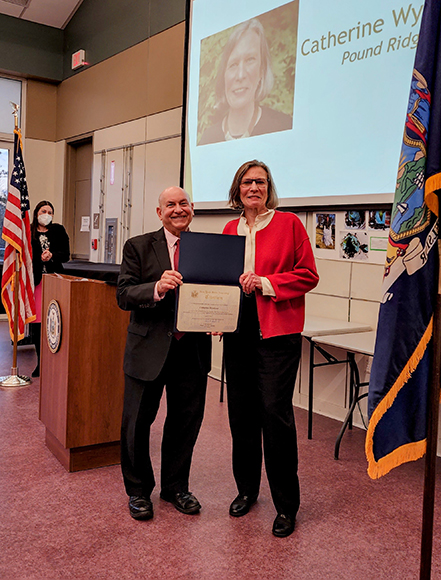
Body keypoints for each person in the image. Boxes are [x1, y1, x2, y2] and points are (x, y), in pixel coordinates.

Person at [222, 160, 319, 537]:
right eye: (247, 182)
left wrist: (264, 282)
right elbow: (220, 278)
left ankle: (286, 506)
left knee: (275, 416)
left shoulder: (290, 224)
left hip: (277, 330)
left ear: (268, 187)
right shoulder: (231, 228)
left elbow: (308, 275)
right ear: (238, 188)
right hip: (238, 329)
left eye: (260, 182)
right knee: (241, 415)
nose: (254, 188)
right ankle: (246, 491)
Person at [116, 186, 211, 521]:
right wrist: (155, 288)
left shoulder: (207, 248)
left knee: (185, 422)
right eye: (170, 204)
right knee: (137, 423)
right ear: (159, 212)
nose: (177, 209)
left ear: (192, 209)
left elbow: (220, 290)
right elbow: (124, 293)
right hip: (148, 349)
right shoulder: (138, 246)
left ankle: (175, 487)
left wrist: (221, 317)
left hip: (192, 349)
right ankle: (139, 491)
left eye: (183, 203)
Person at [198, 18, 292, 145]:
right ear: (224, 75)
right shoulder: (208, 139)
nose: (240, 75)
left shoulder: (283, 125)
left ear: (262, 70)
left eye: (250, 60)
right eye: (233, 64)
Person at [30, 200, 70, 377]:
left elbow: (66, 255)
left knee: (55, 321)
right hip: (36, 282)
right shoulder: (28, 231)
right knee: (38, 325)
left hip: (55, 280)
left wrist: (52, 256)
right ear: (36, 213)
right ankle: (40, 362)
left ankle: (55, 361)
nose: (47, 215)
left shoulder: (58, 230)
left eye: (50, 212)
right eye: (43, 211)